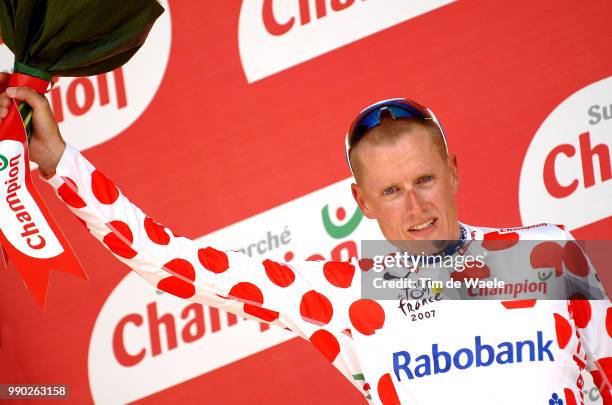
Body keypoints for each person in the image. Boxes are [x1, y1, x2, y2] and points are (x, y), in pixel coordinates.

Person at [0, 86, 609, 405]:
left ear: (453, 170)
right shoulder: (346, 289)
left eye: (424, 180)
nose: (416, 207)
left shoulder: (547, 253)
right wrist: (59, 164)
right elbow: (171, 265)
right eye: (391, 190)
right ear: (362, 201)